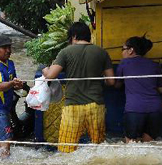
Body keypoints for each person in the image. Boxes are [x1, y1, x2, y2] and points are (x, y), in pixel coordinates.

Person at [42, 22, 115, 153]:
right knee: (99, 149)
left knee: (66, 150)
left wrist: (45, 69)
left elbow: (50, 76)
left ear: (74, 36)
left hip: (73, 106)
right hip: (96, 105)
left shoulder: (65, 52)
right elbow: (111, 81)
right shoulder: (101, 52)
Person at [115, 36, 162, 142]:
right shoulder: (154, 65)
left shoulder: (124, 63)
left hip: (135, 109)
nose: (122, 53)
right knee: (148, 147)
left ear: (131, 50)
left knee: (131, 148)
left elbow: (117, 85)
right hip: (155, 110)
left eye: (122, 49)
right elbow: (161, 89)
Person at [0, 34, 25, 159]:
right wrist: (13, 83)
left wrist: (17, 85)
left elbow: (12, 83)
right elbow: (0, 86)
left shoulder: (10, 63)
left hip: (5, 108)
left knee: (4, 136)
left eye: (9, 47)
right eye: (4, 48)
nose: (8, 50)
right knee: (7, 138)